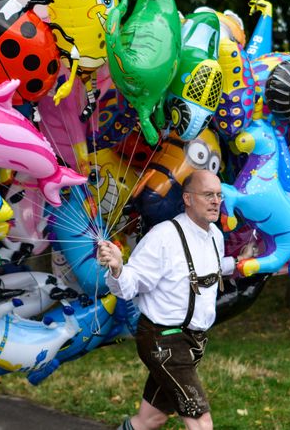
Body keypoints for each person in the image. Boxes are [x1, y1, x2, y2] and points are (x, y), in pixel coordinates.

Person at [98, 170, 236, 430]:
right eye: (208, 195)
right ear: (187, 198)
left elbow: (211, 269)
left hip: (193, 341)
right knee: (201, 422)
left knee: (150, 419)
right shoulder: (163, 237)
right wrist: (117, 268)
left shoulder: (215, 236)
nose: (216, 201)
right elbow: (131, 285)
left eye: (219, 195)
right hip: (164, 341)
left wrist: (240, 262)